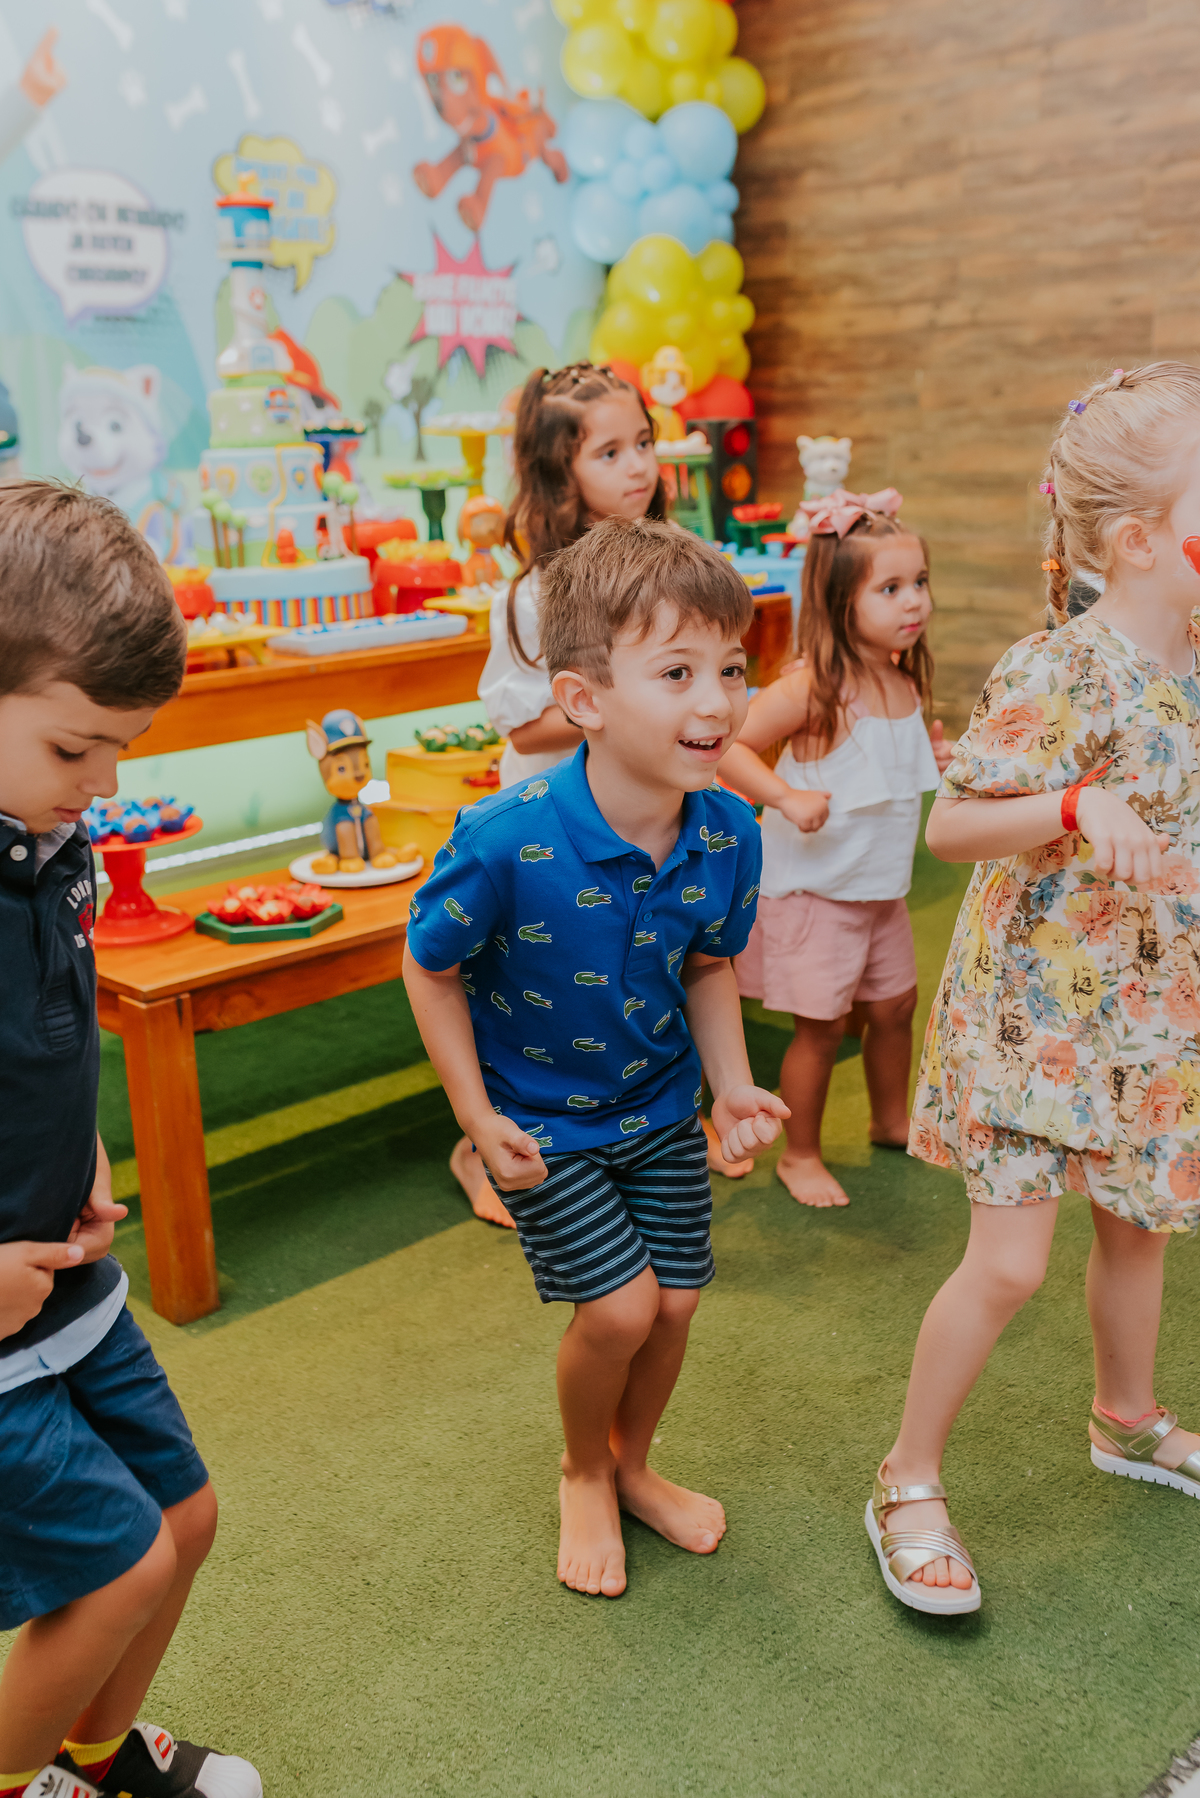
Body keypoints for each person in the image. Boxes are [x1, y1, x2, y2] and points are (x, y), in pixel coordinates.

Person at [404, 516, 788, 1598]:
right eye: (676, 672)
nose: (716, 702)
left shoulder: (730, 832)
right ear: (583, 699)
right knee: (619, 1309)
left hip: (661, 1103)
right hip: (540, 1123)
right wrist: (476, 1117)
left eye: (731, 668)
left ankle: (633, 1465)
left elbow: (709, 964)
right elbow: (428, 967)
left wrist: (732, 1086)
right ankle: (583, 1469)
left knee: (676, 1304)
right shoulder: (504, 836)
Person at [870, 360, 1200, 1616]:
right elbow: (953, 825)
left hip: (1151, 1009)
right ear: (1138, 540)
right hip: (1036, 1016)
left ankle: (1127, 1416)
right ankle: (905, 1479)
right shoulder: (1061, 667)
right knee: (1008, 1264)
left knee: (1138, 1223)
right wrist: (1071, 804)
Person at [0, 483, 260, 1798]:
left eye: (121, 748)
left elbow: (48, 1031)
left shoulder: (49, 837)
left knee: (184, 1516)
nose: (104, 782)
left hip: (67, 1277)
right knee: (117, 1565)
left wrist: (89, 1146)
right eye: (75, 747)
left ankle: (89, 1765)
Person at [718, 489, 952, 1208]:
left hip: (880, 890)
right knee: (821, 1030)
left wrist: (934, 757)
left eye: (919, 582)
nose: (913, 601)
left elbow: (888, 770)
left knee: (896, 1007)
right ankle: (801, 1155)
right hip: (816, 895)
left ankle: (890, 1121)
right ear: (839, 599)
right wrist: (785, 796)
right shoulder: (814, 686)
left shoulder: (901, 678)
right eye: (890, 588)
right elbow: (727, 746)